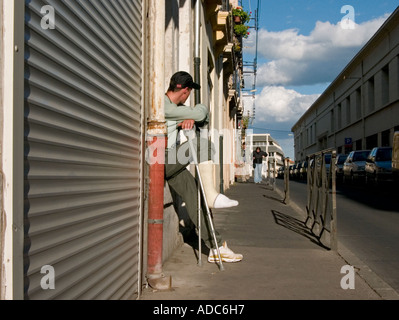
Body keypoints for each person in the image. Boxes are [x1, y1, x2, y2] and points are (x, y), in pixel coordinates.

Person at [164, 71, 243, 263]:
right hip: (160, 159)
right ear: (183, 89)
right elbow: (202, 113)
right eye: (189, 90)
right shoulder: (164, 105)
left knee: (195, 199)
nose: (189, 95)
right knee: (202, 144)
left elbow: (202, 120)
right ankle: (211, 195)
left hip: (171, 163)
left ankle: (216, 247)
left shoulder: (176, 109)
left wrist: (183, 122)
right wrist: (193, 114)